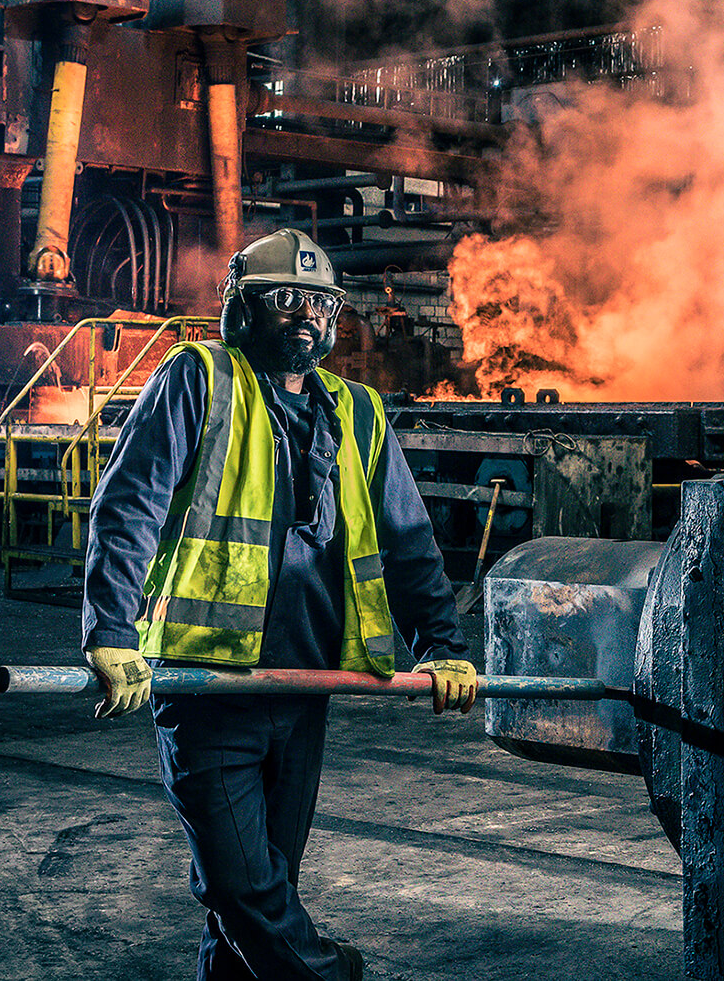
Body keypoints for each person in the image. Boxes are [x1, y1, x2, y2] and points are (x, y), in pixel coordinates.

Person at [79, 228, 479, 981]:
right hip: (209, 687)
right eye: (285, 298)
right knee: (241, 886)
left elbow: (407, 538)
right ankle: (335, 973)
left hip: (307, 690)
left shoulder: (358, 412)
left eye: (321, 302)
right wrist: (110, 629)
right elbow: (129, 506)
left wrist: (444, 642)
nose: (306, 314)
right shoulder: (197, 378)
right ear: (241, 310)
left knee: (258, 896)